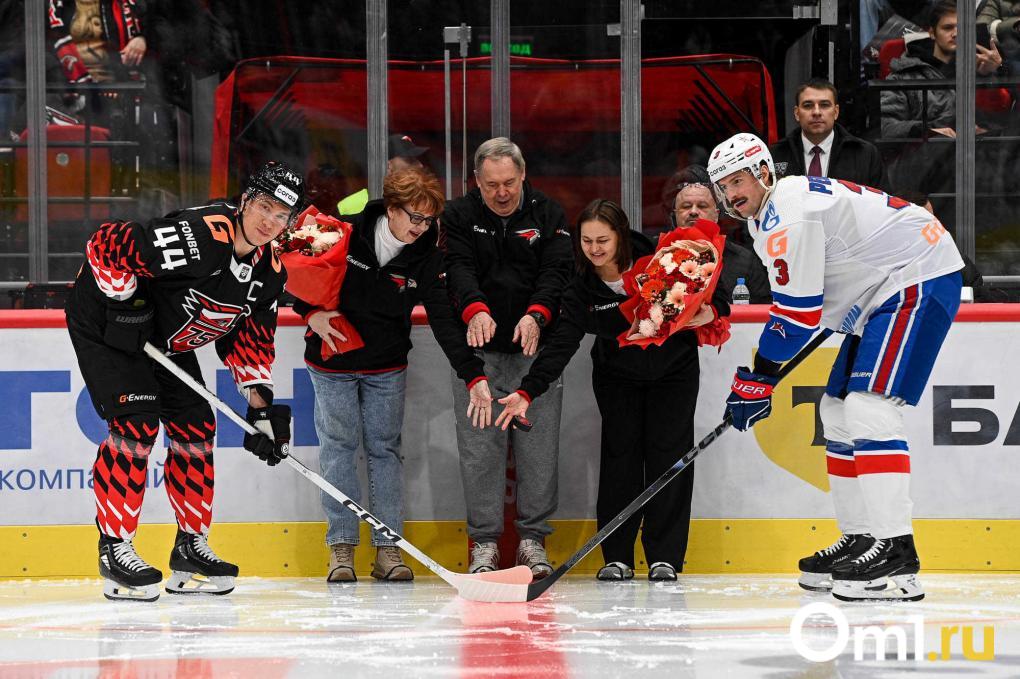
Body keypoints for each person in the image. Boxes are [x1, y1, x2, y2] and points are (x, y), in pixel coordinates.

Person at [708, 133, 964, 602]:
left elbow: (798, 314)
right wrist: (760, 377)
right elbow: (808, 300)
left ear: (764, 172)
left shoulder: (789, 214)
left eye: (737, 180)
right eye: (723, 186)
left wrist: (757, 378)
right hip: (878, 290)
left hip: (917, 273)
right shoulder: (768, 217)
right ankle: (864, 536)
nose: (731, 193)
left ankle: (897, 551)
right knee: (836, 410)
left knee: (868, 407)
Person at [64, 161, 302, 601]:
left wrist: (261, 408)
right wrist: (124, 300)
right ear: (246, 200)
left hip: (162, 338)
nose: (269, 222)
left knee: (196, 426)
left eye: (281, 216)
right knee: (136, 424)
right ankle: (115, 547)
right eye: (264, 207)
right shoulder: (199, 238)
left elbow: (249, 340)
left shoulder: (269, 273)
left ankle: (190, 546)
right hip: (105, 323)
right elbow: (107, 244)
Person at [494, 199, 730, 582]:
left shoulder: (662, 260)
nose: (595, 248)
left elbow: (711, 293)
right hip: (617, 377)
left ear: (620, 235)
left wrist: (713, 312)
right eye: (587, 241)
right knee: (620, 458)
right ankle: (617, 555)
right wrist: (527, 391)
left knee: (668, 458)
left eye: (603, 239)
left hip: (675, 372)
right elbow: (561, 346)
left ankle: (664, 556)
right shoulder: (580, 287)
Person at [292, 168, 488, 583]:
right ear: (393, 210)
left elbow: (442, 319)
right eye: (414, 217)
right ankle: (341, 548)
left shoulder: (428, 254)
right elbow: (293, 275)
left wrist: (472, 374)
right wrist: (312, 312)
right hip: (332, 363)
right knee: (339, 449)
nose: (420, 228)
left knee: (384, 451)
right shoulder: (346, 229)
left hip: (386, 365)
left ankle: (388, 549)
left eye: (427, 220)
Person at [442, 137, 573, 578]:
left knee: (539, 451)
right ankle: (483, 544)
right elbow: (457, 269)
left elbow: (557, 273)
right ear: (476, 181)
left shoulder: (549, 213)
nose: (502, 193)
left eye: (510, 183)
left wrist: (538, 315)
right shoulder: (458, 215)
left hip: (535, 355)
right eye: (492, 184)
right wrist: (474, 307)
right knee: (479, 452)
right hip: (480, 356)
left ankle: (532, 540)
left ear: (523, 176)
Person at [882, 1, 1004, 140]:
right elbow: (887, 127)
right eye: (948, 28)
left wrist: (988, 76)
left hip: (978, 156)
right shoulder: (905, 75)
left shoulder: (979, 70)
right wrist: (929, 131)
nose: (956, 34)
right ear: (932, 33)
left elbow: (1000, 118)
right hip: (925, 156)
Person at [670, 165, 772, 304]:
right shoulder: (657, 255)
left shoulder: (744, 261)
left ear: (716, 215)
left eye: (702, 206)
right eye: (686, 206)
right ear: (675, 214)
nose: (693, 212)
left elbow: (763, 313)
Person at [770, 79, 890, 192]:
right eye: (808, 105)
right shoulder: (775, 155)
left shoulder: (865, 155)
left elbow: (883, 206)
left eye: (824, 105)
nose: (816, 112)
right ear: (797, 113)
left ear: (836, 112)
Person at [333, 133, 431, 215]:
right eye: (410, 159)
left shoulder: (425, 202)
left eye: (417, 159)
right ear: (388, 166)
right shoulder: (348, 206)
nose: (420, 165)